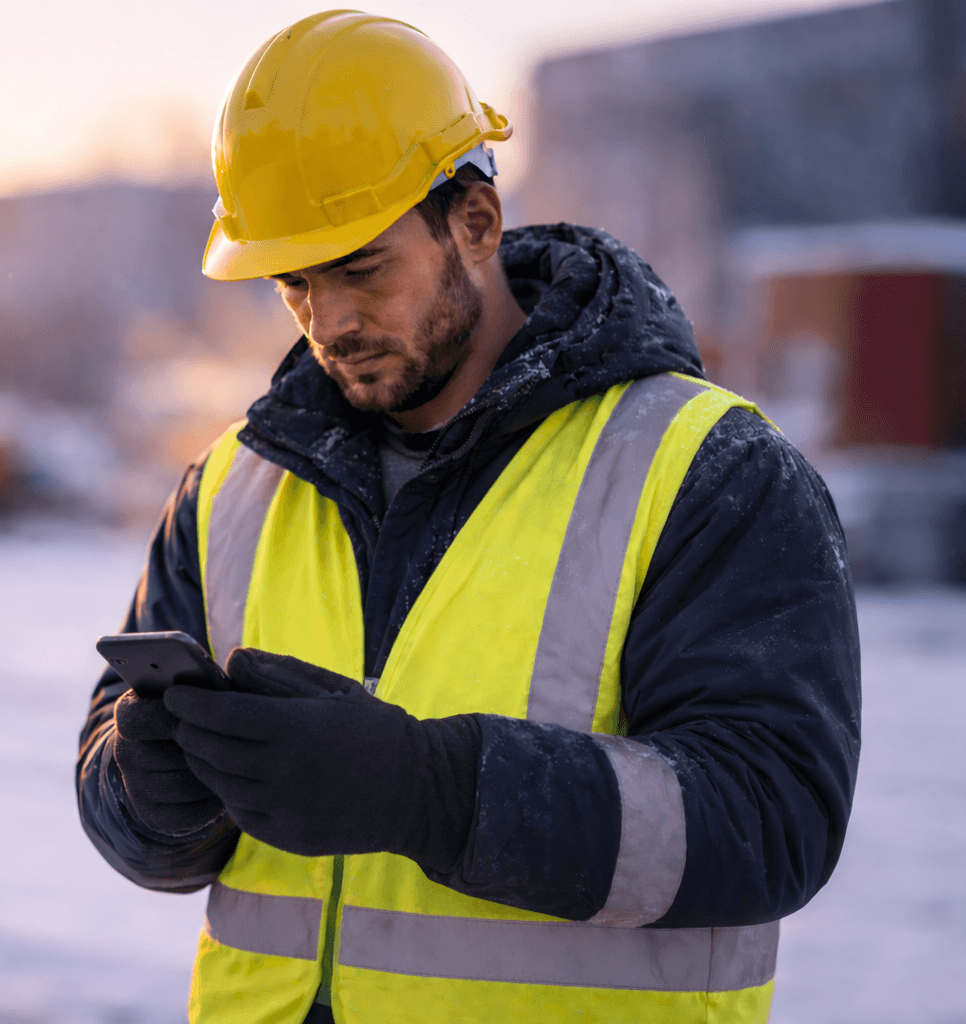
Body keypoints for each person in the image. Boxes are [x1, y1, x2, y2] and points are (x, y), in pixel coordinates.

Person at [76, 11, 860, 1024]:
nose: (329, 321)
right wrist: (151, 792)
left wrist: (430, 790)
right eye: (296, 284)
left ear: (476, 223)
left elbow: (771, 819)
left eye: (361, 268)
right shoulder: (233, 484)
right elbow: (112, 785)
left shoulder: (707, 469)